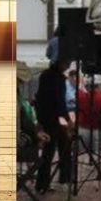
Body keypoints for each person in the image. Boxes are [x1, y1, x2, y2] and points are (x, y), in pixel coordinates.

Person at [33, 61, 74, 191]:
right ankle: (44, 183)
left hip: (44, 116)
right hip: (51, 119)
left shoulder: (45, 75)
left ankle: (63, 177)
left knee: (63, 144)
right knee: (50, 151)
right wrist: (68, 120)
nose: (68, 66)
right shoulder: (58, 79)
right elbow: (59, 101)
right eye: (67, 63)